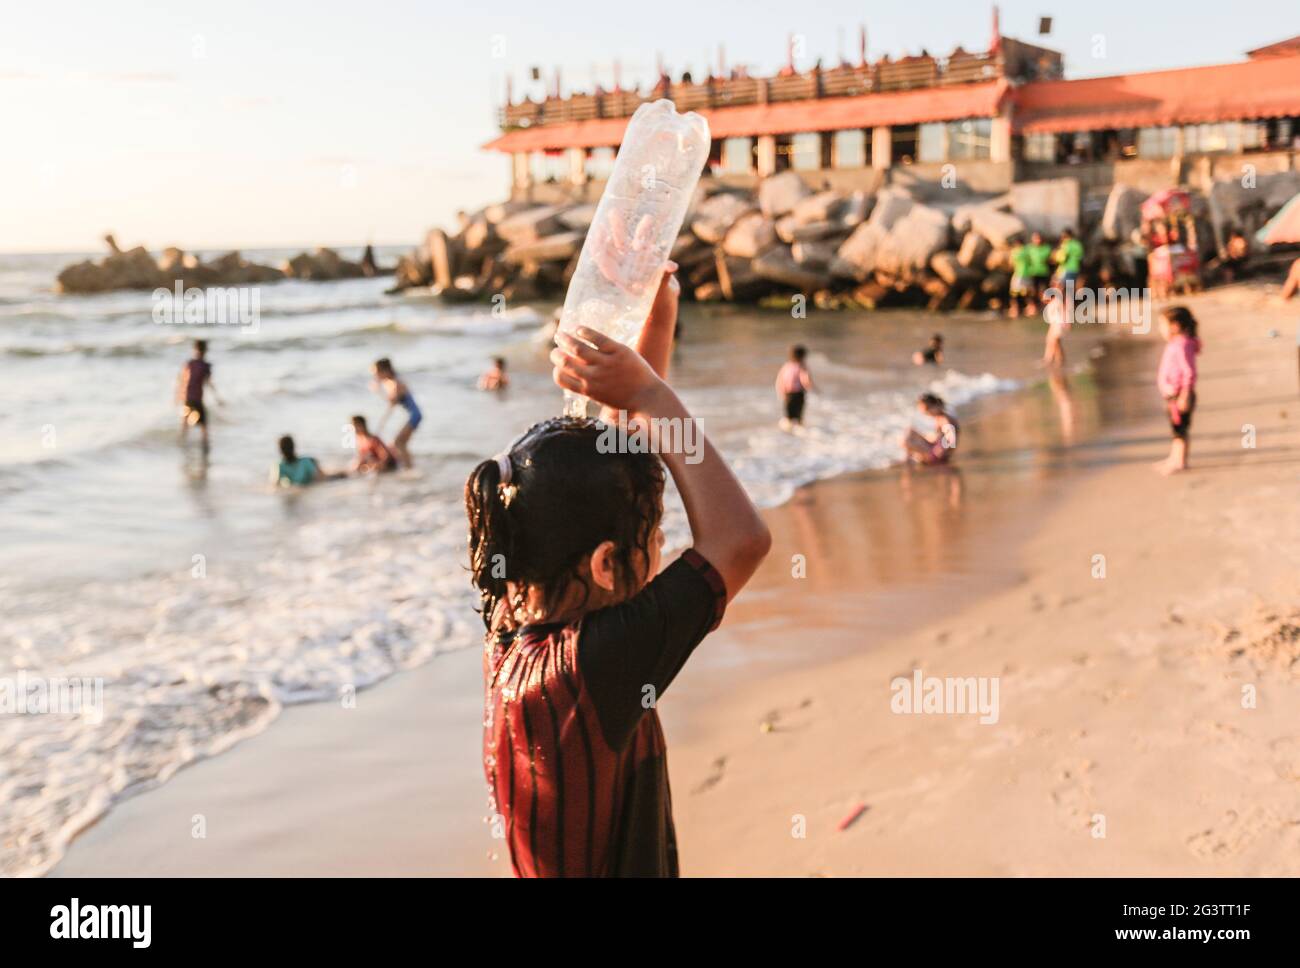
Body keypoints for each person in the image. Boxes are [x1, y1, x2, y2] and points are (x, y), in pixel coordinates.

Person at [470, 266, 770, 877]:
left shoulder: (512, 613)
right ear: (606, 563)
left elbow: (618, 457)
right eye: (654, 539)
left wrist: (655, 334)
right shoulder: (597, 663)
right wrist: (655, 397)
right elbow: (740, 541)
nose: (663, 549)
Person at [1154, 305, 1202, 476]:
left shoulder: (1182, 345)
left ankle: (1180, 462)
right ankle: (1173, 458)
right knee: (1176, 429)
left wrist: (1185, 393)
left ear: (1174, 326)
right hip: (1173, 395)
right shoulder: (1177, 343)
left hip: (1180, 395)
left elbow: (1189, 371)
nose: (1160, 329)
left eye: (1162, 325)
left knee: (1180, 430)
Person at [370, 357, 420, 468]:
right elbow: (391, 402)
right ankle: (407, 467)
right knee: (399, 443)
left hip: (414, 415)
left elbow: (392, 403)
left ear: (385, 371)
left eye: (376, 373)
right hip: (412, 415)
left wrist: (378, 390)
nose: (376, 377)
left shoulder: (396, 383)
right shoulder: (391, 382)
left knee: (398, 443)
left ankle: (409, 468)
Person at [176, 339, 221, 449]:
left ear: (195, 349)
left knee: (185, 423)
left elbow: (182, 380)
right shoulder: (206, 366)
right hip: (197, 400)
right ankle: (205, 447)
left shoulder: (189, 364)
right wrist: (217, 398)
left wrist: (178, 396)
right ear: (205, 351)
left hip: (187, 398)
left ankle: (182, 444)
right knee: (204, 426)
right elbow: (209, 383)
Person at [901, 392, 959, 466]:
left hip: (937, 455)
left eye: (926, 410)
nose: (925, 413)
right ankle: (909, 459)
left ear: (934, 406)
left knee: (906, 440)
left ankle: (908, 460)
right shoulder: (940, 418)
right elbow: (942, 438)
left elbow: (950, 441)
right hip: (936, 450)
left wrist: (939, 453)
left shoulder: (945, 420)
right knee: (910, 431)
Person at [270, 435, 345, 487]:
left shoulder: (305, 462)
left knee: (338, 476)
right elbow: (275, 485)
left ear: (280, 450)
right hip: (310, 468)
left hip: (313, 467)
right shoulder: (280, 466)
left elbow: (319, 479)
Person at [775, 344, 815, 429]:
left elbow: (780, 380)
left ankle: (789, 432)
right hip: (799, 393)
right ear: (803, 356)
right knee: (799, 415)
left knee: (789, 415)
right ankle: (800, 430)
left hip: (788, 393)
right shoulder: (802, 367)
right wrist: (811, 386)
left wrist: (781, 392)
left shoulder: (786, 366)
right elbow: (805, 379)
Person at [1025, 231, 1053, 315]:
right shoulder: (1029, 248)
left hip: (1044, 272)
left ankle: (1050, 306)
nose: (1037, 240)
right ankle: (1033, 307)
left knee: (1046, 290)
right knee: (1033, 290)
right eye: (1035, 238)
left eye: (1038, 238)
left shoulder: (1046, 248)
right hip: (1033, 272)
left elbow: (1048, 259)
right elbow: (1026, 259)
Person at [1041, 286, 1069, 368]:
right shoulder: (1051, 303)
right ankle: (1055, 359)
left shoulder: (1057, 302)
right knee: (1054, 342)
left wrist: (1066, 322)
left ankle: (1057, 359)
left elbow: (1063, 310)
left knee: (1055, 342)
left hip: (1059, 324)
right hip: (1054, 325)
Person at [1008, 237, 1032, 318]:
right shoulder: (1027, 250)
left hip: (1018, 274)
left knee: (1014, 293)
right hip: (1027, 273)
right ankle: (1030, 308)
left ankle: (1015, 310)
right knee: (1026, 292)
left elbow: (1011, 263)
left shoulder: (1016, 252)